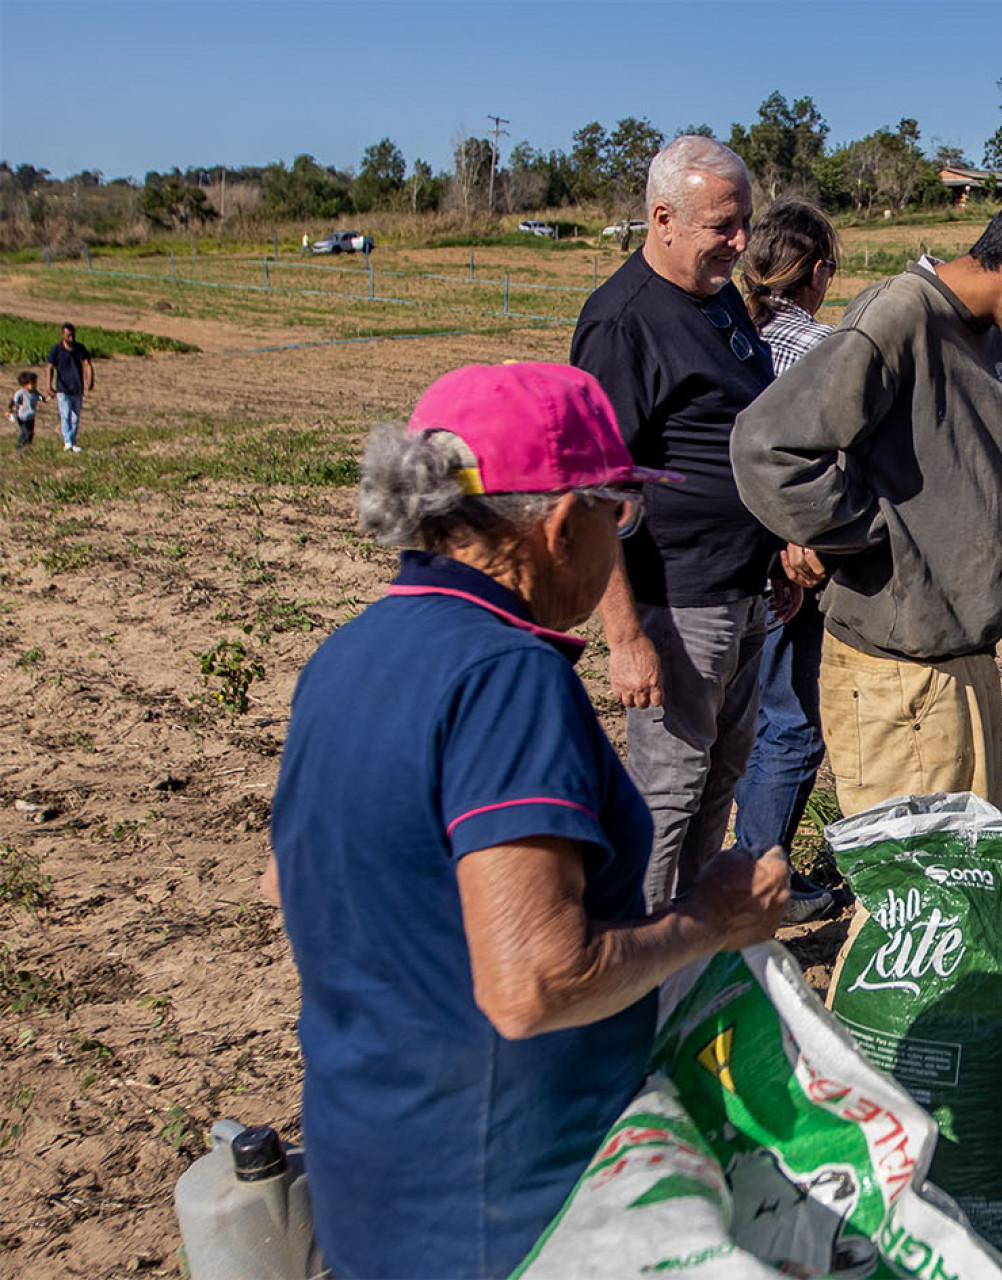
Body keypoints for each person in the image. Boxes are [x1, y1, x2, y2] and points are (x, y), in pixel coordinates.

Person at [267, 362, 789, 1279]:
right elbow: (536, 984)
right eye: (619, 512)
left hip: (371, 1170)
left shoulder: (347, 655)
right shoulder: (507, 679)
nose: (619, 539)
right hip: (508, 1209)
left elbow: (292, 879)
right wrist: (711, 919)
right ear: (558, 524)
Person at [732, 184, 1002, 816]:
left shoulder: (982, 331)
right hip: (900, 679)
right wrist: (860, 534)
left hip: (960, 663)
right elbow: (767, 447)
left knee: (959, 893)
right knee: (910, 898)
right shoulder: (897, 319)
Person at [570, 135, 789, 909]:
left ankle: (686, 951)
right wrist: (626, 638)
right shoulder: (621, 324)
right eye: (723, 228)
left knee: (721, 775)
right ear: (663, 218)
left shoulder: (720, 300)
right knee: (670, 789)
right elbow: (592, 488)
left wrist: (775, 554)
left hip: (742, 590)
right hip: (677, 601)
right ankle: (639, 963)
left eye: (745, 224)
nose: (741, 244)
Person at [730, 198, 847, 921]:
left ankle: (746, 866)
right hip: (790, 563)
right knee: (795, 721)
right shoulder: (823, 348)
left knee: (752, 718)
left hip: (732, 559)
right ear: (819, 273)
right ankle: (762, 883)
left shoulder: (732, 333)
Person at [46, 322, 94, 453]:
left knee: (76, 417)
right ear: (63, 335)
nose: (71, 339)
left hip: (77, 387)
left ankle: (73, 440)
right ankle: (68, 441)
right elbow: (50, 367)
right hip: (63, 388)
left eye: (73, 335)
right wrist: (49, 384)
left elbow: (87, 364)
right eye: (68, 336)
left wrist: (90, 380)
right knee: (65, 415)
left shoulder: (80, 348)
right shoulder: (56, 350)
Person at [10, 371, 45, 451]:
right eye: (32, 383)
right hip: (22, 416)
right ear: (25, 384)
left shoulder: (35, 393)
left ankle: (28, 447)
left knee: (30, 433)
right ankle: (19, 447)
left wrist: (50, 396)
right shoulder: (21, 393)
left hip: (31, 416)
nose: (35, 385)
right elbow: (13, 401)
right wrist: (10, 410)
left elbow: (43, 399)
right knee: (24, 432)